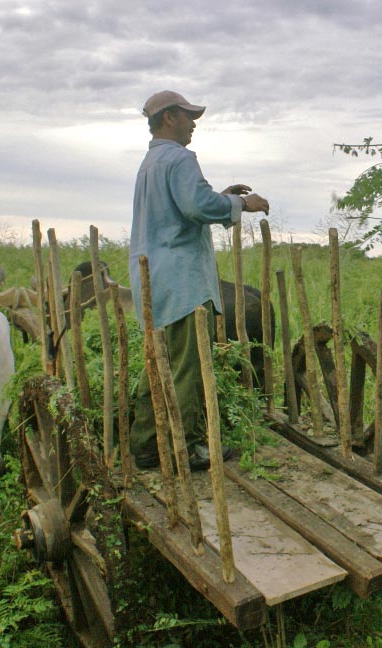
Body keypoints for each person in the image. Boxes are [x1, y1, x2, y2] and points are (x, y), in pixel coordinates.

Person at [129, 90, 269, 471]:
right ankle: (186, 446)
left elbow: (183, 207)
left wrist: (219, 197)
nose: (193, 124)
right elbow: (196, 206)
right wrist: (243, 204)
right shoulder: (179, 158)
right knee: (188, 364)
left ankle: (145, 444)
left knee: (158, 361)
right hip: (182, 281)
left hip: (154, 279)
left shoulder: (151, 162)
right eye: (189, 117)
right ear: (170, 117)